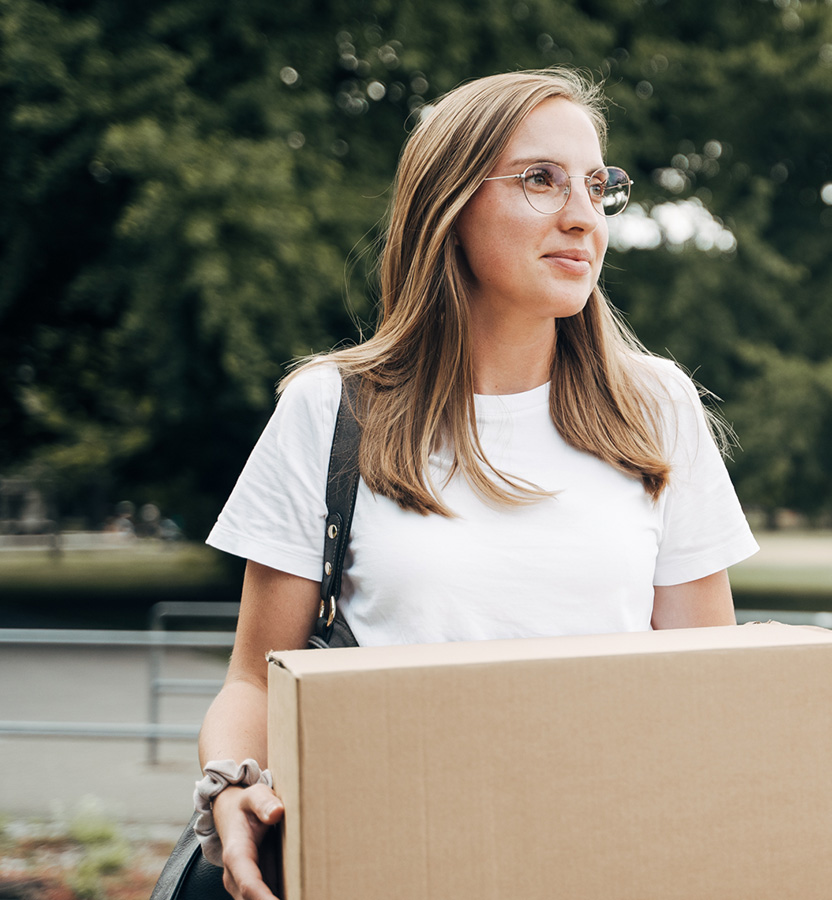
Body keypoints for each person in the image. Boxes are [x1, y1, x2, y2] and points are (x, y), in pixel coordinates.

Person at [195, 68, 758, 900]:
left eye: (598, 187)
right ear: (448, 206)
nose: (582, 215)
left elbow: (705, 686)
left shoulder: (657, 407)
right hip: (386, 859)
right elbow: (254, 678)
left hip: (608, 862)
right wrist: (232, 785)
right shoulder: (333, 406)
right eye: (541, 180)